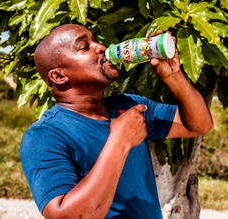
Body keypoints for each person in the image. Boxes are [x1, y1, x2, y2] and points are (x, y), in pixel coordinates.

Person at [19, 24, 213, 219]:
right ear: (59, 76)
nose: (101, 47)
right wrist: (120, 141)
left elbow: (198, 124)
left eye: (95, 40)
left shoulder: (128, 105)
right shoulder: (44, 135)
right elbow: (66, 216)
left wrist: (173, 75)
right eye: (84, 46)